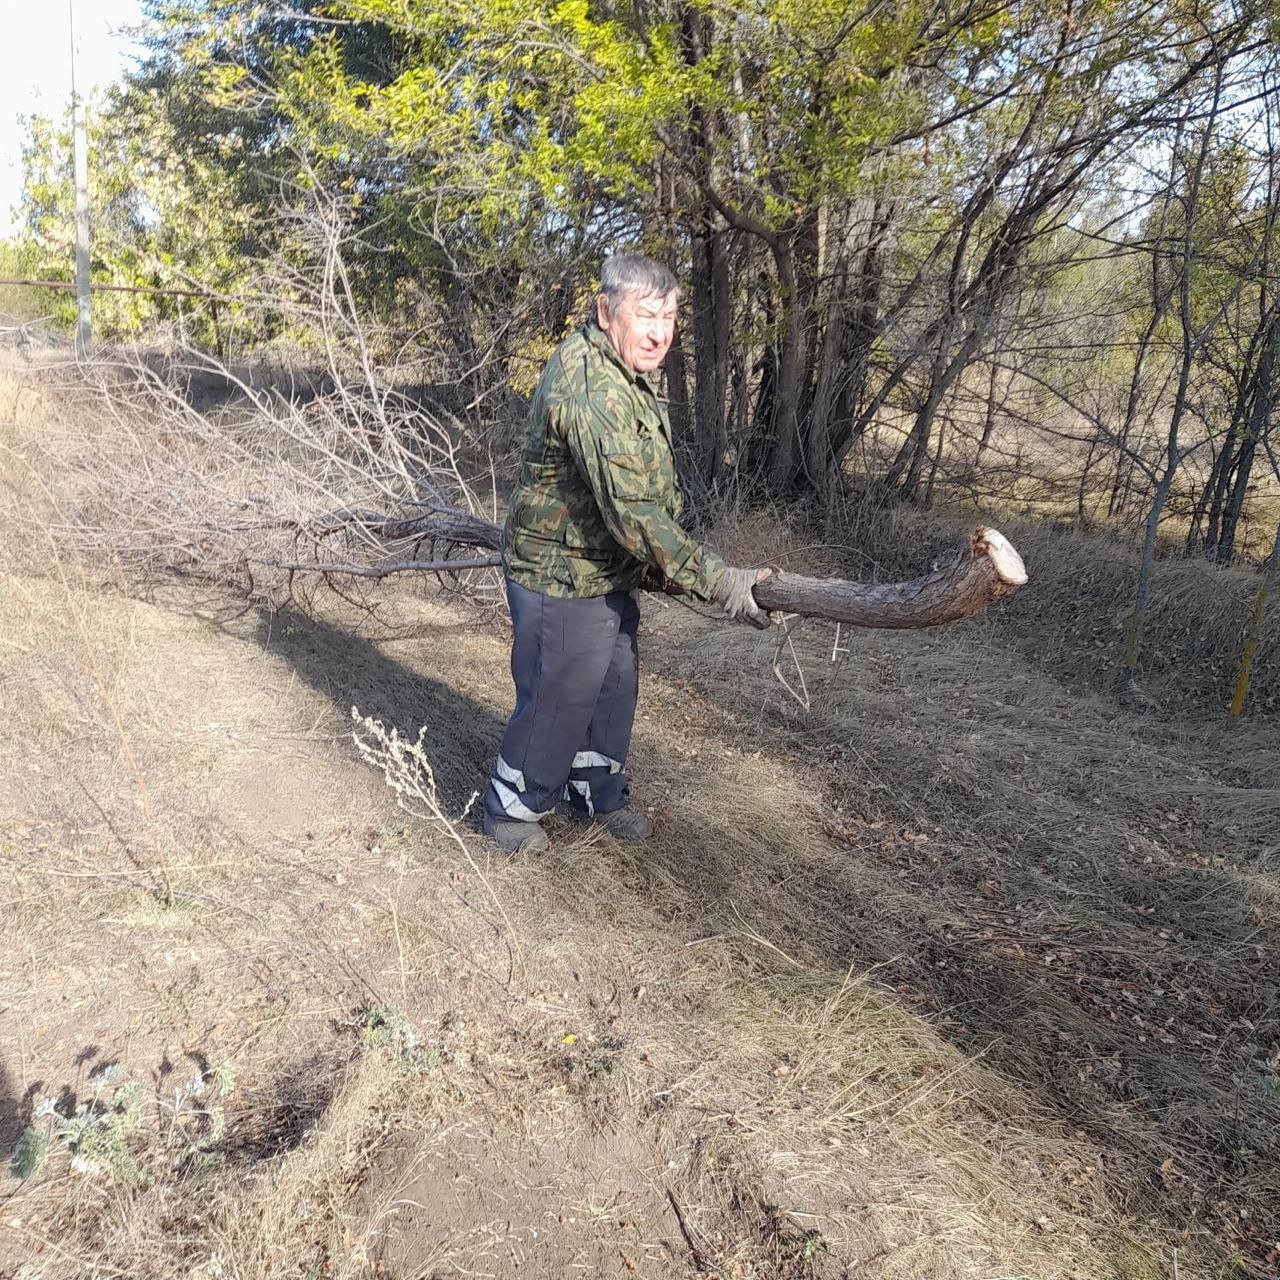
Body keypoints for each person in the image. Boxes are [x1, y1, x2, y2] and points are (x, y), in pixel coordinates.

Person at [482, 253, 773, 853]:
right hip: (559, 574)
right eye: (645, 315)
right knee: (561, 691)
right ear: (605, 313)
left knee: (613, 686)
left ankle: (595, 791)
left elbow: (643, 501)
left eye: (669, 316)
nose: (660, 332)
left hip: (605, 568)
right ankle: (511, 806)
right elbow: (633, 511)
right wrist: (720, 582)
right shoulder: (587, 383)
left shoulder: (625, 368)